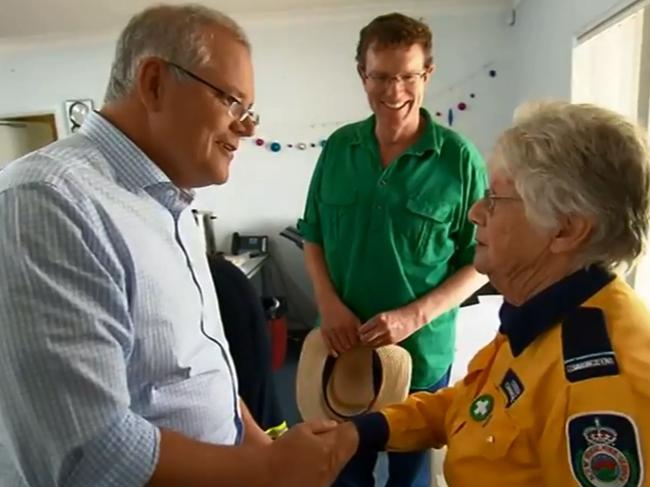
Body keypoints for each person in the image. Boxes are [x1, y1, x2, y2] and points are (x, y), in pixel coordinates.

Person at [0, 5, 343, 487]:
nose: (247, 127)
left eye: (249, 111)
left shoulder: (172, 205)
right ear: (155, 83)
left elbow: (198, 372)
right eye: (232, 101)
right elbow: (90, 453)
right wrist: (269, 470)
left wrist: (265, 453)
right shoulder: (48, 201)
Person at [326, 101, 650, 486]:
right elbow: (475, 402)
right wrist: (363, 431)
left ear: (565, 229)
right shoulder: (542, 310)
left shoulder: (602, 386)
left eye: (495, 199)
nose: (475, 213)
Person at [298, 12, 487, 486]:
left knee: (410, 477)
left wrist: (414, 316)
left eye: (407, 76)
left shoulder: (459, 159)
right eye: (380, 77)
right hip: (342, 351)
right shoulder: (339, 148)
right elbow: (313, 233)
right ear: (362, 74)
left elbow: (482, 262)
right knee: (345, 472)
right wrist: (327, 304)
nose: (394, 91)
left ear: (428, 74)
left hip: (420, 357)